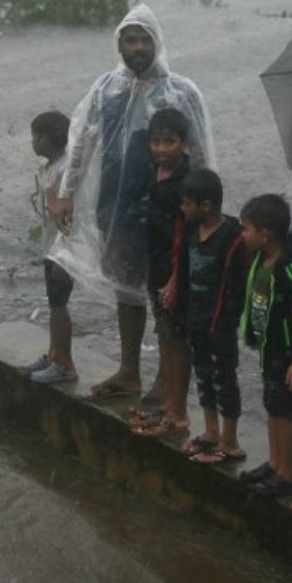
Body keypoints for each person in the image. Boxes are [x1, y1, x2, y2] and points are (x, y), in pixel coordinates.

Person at [51, 3, 213, 402]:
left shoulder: (180, 91)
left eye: (144, 40)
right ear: (119, 43)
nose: (137, 47)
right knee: (126, 289)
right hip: (116, 205)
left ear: (157, 43)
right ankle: (129, 371)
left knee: (167, 296)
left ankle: (166, 382)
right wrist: (68, 193)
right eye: (130, 40)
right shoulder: (107, 87)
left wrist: (204, 208)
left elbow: (201, 151)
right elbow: (82, 142)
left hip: (166, 208)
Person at [161, 168, 249, 465]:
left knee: (224, 378)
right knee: (203, 375)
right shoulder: (189, 230)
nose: (183, 209)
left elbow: (237, 286)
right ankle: (211, 431)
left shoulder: (233, 238)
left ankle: (231, 441)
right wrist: (179, 307)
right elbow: (183, 269)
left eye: (188, 204)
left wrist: (225, 319)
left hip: (220, 322)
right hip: (195, 317)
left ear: (206, 205)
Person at [237, 195, 292, 500]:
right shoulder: (259, 259)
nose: (242, 235)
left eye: (246, 229)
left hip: (285, 355)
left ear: (264, 234)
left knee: (284, 411)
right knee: (272, 406)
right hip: (269, 350)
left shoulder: (288, 269)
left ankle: (288, 473)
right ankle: (274, 462)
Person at [129, 107, 193, 435]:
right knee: (165, 336)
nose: (161, 148)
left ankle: (178, 411)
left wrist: (174, 278)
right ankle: (169, 404)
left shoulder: (187, 183)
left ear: (183, 143)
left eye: (169, 142)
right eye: (156, 141)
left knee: (179, 340)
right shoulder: (155, 172)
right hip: (157, 267)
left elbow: (187, 236)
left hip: (176, 272)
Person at [25, 111, 78, 384]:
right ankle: (54, 354)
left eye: (35, 135)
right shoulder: (49, 167)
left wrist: (65, 252)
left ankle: (65, 365)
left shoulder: (66, 169)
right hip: (52, 246)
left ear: (46, 138)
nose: (32, 141)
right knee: (54, 302)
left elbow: (71, 211)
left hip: (63, 248)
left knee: (59, 304)